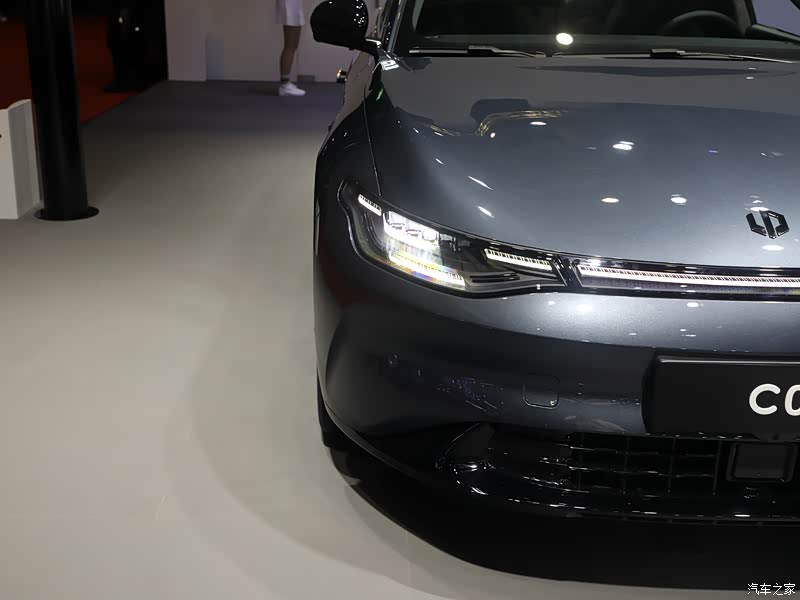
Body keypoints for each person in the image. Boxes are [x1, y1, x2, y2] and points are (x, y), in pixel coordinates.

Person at [275, 0, 306, 97]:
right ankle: (285, 85)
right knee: (290, 46)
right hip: (290, 6)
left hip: (293, 5)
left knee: (292, 46)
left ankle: (285, 83)